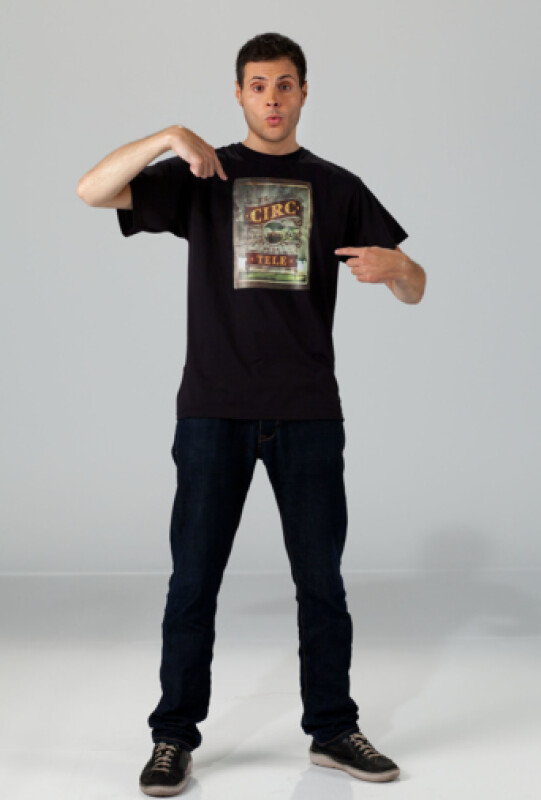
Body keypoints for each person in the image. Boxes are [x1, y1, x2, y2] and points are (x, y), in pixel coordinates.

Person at [77, 31, 425, 797]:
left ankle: (332, 730)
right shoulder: (203, 175)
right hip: (213, 409)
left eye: (285, 84)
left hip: (307, 412)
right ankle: (173, 737)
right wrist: (169, 136)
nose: (272, 98)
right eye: (258, 84)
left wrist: (399, 266)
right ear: (238, 93)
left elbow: (414, 287)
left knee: (321, 584)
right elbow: (91, 191)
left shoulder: (337, 187)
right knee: (193, 583)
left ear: (304, 92)